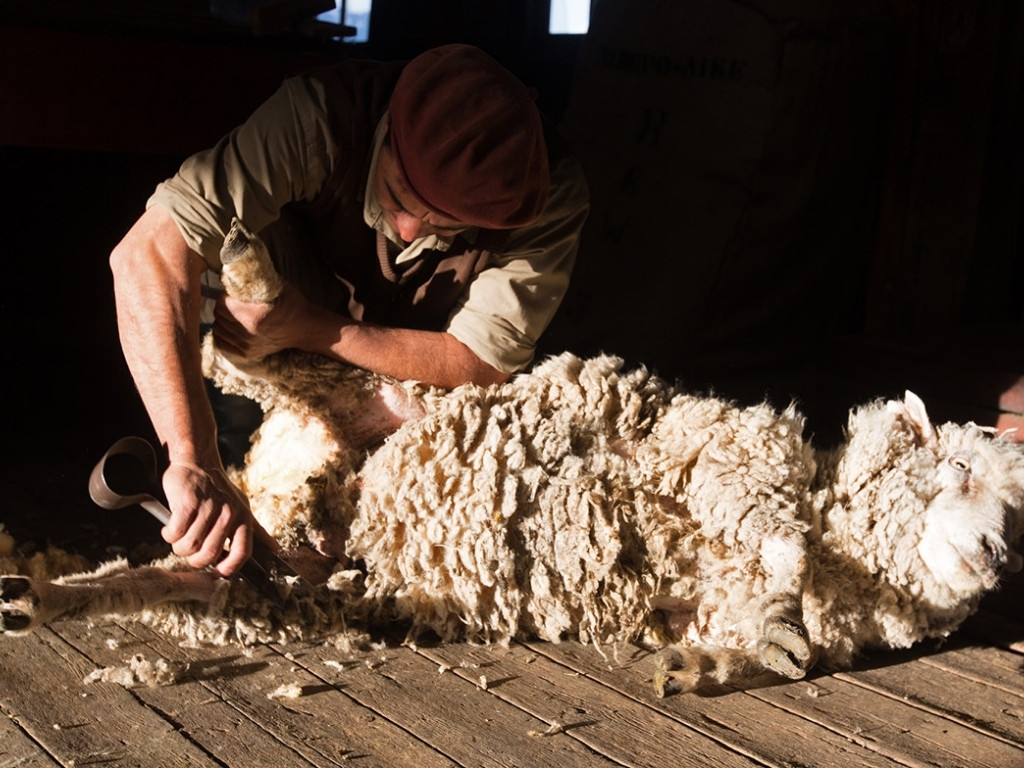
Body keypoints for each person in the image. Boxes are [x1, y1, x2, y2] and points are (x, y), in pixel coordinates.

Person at [108, 44, 590, 578]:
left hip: (405, 358)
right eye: (399, 194)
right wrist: (193, 456)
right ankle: (233, 467)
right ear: (385, 132)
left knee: (378, 504)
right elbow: (146, 254)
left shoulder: (544, 197)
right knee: (243, 459)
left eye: (446, 224)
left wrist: (312, 327)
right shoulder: (321, 117)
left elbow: (481, 363)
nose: (408, 230)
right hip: (262, 328)